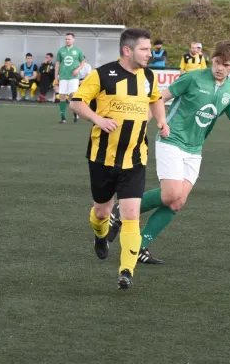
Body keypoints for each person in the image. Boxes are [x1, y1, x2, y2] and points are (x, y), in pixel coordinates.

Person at [107, 40, 230, 264]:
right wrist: (138, 126)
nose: (220, 67)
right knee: (170, 195)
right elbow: (160, 99)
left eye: (226, 64)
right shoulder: (193, 77)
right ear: (211, 59)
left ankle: (140, 246)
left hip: (194, 149)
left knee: (176, 202)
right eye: (216, 62)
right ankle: (120, 209)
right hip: (171, 139)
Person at [69, 28, 169, 290]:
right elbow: (76, 102)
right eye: (144, 49)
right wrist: (97, 119)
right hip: (102, 158)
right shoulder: (102, 74)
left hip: (135, 158)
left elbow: (156, 99)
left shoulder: (148, 76)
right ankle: (100, 235)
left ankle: (126, 270)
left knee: (131, 215)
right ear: (127, 50)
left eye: (149, 49)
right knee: (101, 211)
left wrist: (161, 120)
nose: (150, 54)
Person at [55, 33, 85, 123]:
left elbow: (82, 62)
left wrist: (78, 69)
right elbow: (57, 64)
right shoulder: (61, 50)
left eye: (69, 39)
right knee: (62, 96)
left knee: (73, 95)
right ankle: (63, 117)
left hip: (73, 77)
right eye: (66, 39)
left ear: (73, 40)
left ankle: (75, 113)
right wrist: (56, 77)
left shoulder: (78, 50)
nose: (67, 40)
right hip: (63, 76)